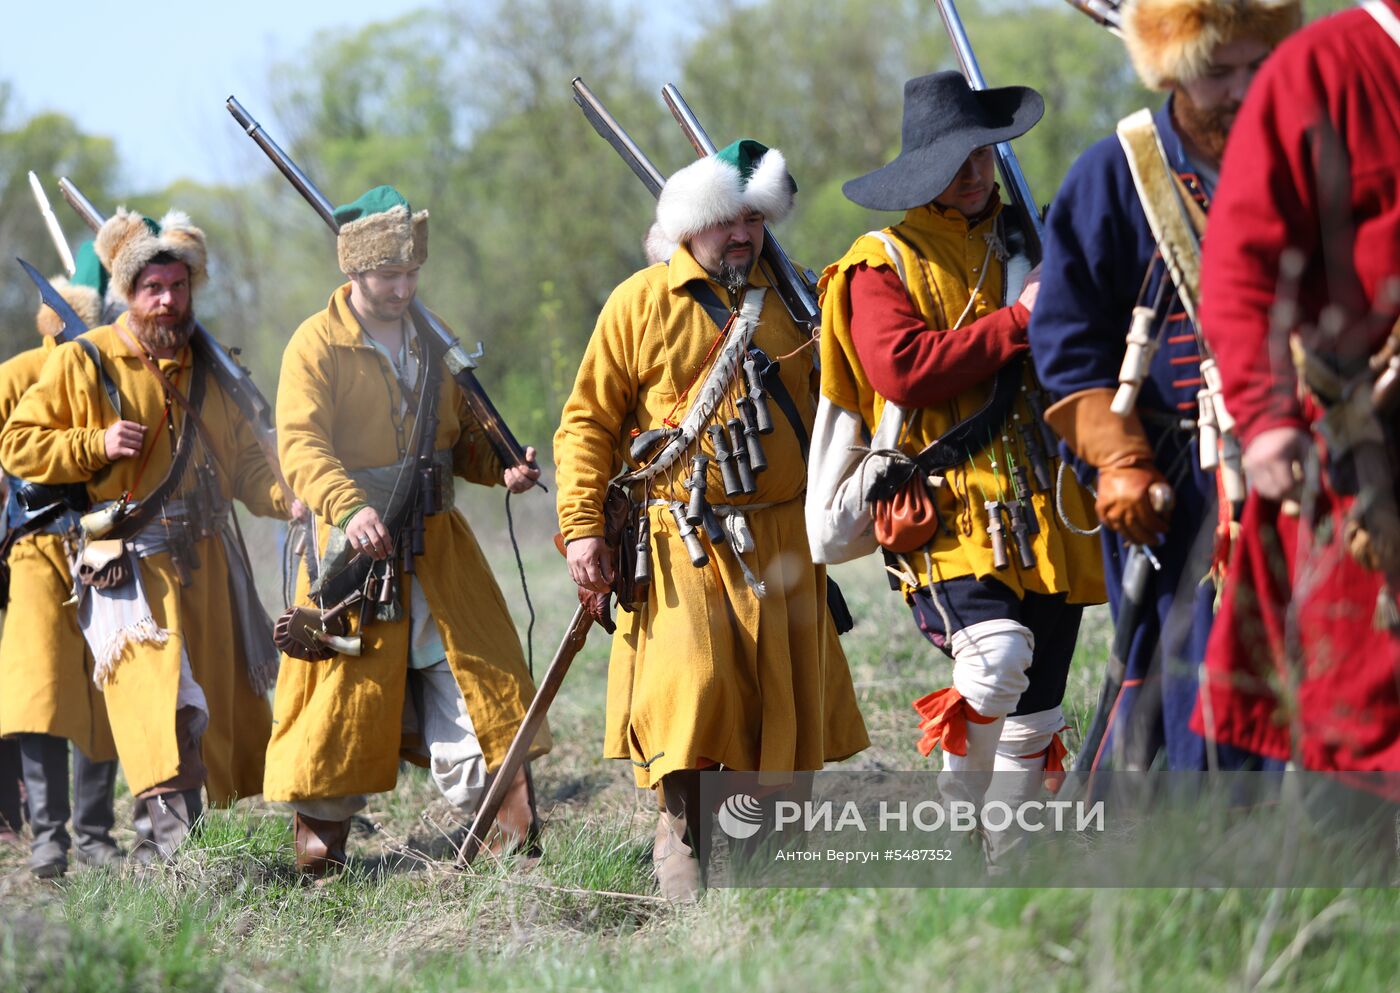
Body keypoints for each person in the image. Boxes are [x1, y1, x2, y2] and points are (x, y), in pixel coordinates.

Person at [555, 139, 869, 901]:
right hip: (680, 537)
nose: (742, 234)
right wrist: (584, 524)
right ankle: (683, 832)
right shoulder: (639, 302)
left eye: (752, 219)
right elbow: (587, 421)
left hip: (785, 535)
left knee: (778, 716)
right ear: (691, 225)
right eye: (725, 220)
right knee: (689, 694)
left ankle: (767, 865)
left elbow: (853, 393)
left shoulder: (800, 293)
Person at [817, 71, 1103, 851]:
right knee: (999, 660)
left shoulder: (1033, 242)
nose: (974, 170)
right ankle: (949, 821)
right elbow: (904, 368)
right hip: (945, 511)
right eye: (955, 158)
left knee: (1040, 705)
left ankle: (1013, 872)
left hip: (1049, 503)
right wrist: (1020, 319)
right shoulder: (878, 262)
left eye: (981, 153)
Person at [1028, 0, 1300, 771]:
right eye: (1220, 71)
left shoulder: (1308, 157)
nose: (1243, 88)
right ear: (1174, 68)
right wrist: (1118, 461)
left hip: (1304, 472)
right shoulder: (1114, 175)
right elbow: (1067, 343)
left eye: (1258, 66)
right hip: (1175, 491)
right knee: (1190, 703)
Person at [265, 186, 549, 876]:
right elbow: (300, 445)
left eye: (410, 273)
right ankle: (320, 856)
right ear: (353, 272)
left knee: (473, 680)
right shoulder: (315, 344)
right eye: (387, 275)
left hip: (439, 550)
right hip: (353, 554)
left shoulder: (433, 338)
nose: (402, 287)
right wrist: (346, 504)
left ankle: (508, 836)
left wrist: (500, 469)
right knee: (340, 706)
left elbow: (459, 441)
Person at [0, 209, 292, 859]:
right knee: (156, 708)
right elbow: (18, 444)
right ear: (128, 295)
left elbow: (245, 462)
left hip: (205, 561)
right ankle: (162, 854)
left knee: (204, 712)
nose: (167, 300)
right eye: (152, 288)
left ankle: (172, 850)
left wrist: (288, 498)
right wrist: (93, 442)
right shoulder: (85, 360)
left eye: (178, 286)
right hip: (128, 566)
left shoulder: (209, 366)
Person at [1195, 0, 1400, 776]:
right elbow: (1243, 265)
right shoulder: (1318, 68)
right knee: (1356, 714)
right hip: (1367, 450)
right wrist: (1270, 418)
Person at [0, 244, 122, 876]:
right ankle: (50, 837)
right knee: (38, 690)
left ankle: (97, 832)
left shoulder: (115, 369)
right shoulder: (17, 373)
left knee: (109, 684)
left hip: (103, 542)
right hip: (35, 545)